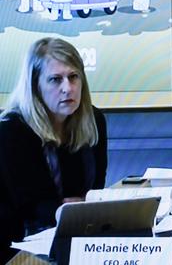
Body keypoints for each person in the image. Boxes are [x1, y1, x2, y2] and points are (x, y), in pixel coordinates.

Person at [0, 38, 107, 263]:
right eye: (55, 80)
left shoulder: (94, 120)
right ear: (35, 86)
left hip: (76, 238)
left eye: (73, 77)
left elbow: (95, 192)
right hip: (18, 247)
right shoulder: (11, 130)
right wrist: (75, 209)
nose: (67, 88)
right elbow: (32, 207)